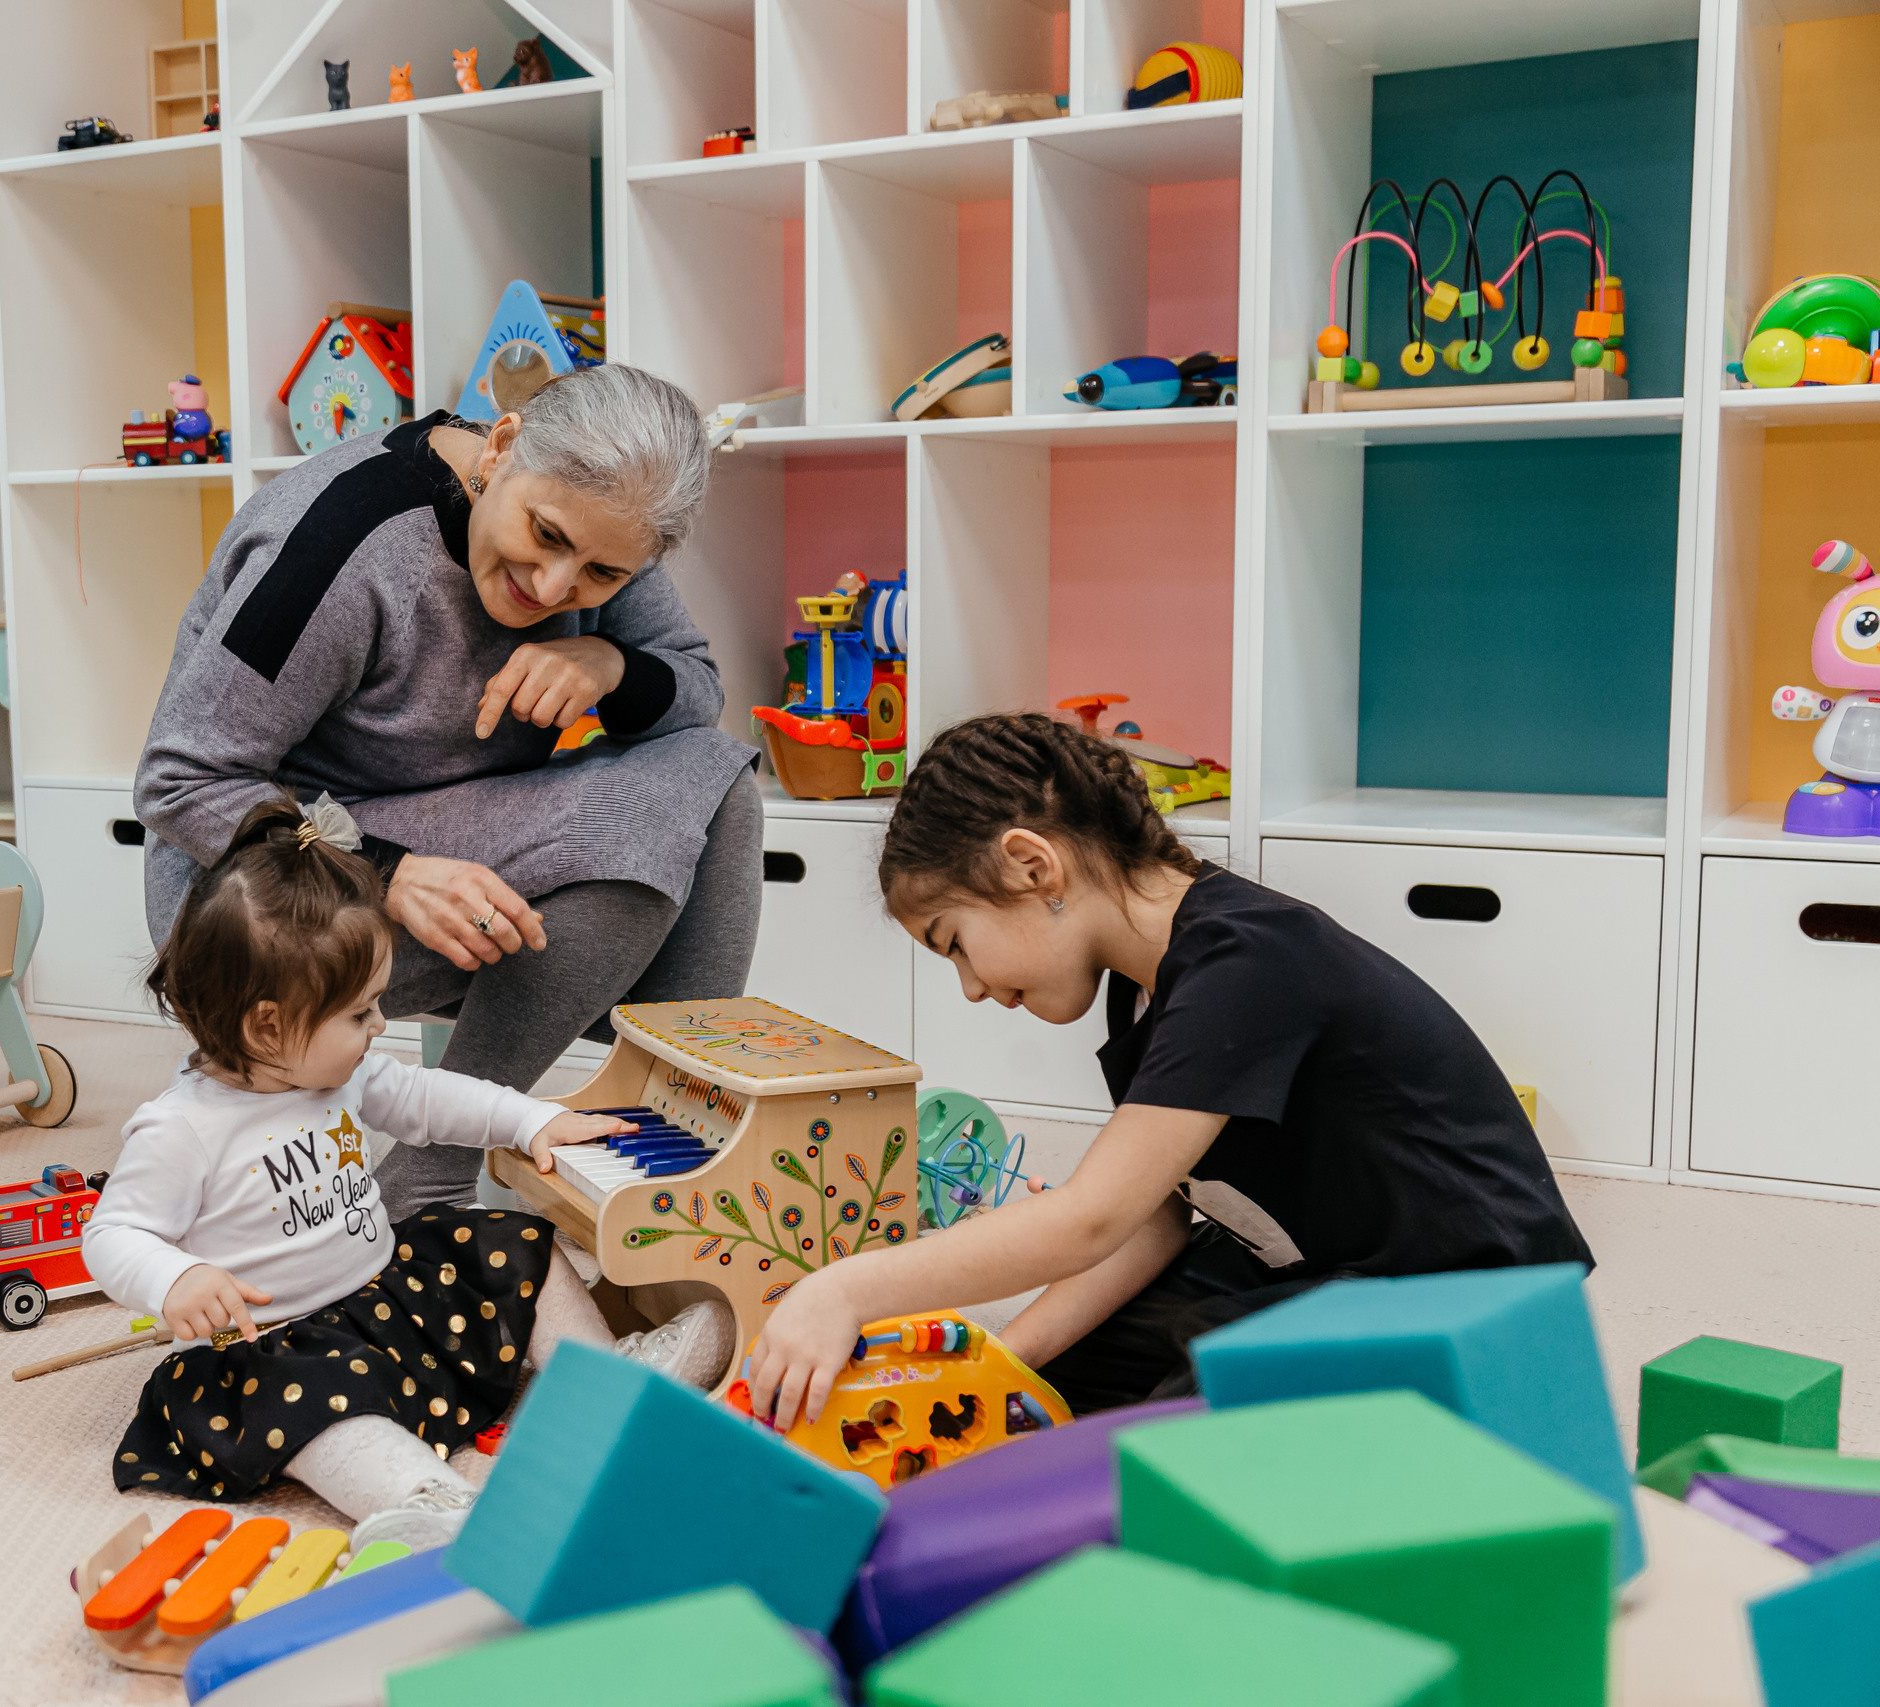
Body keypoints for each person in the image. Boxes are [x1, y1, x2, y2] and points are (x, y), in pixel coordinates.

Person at [745, 712, 1596, 1432]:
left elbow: (1090, 1218)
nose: (970, 986)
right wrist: (1004, 1363)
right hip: (1328, 1263)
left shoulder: (1248, 960)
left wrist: (843, 1288)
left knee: (1178, 1434)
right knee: (1058, 1377)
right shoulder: (1145, 985)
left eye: (956, 942)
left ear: (1032, 865)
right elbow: (1155, 1216)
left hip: (1470, 1296)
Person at [135, 364, 760, 1222]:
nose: (551, 588)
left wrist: (607, 664)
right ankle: (431, 1175)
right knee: (631, 826)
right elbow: (179, 780)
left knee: (718, 780)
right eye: (542, 535)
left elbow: (697, 690)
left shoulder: (607, 523)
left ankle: (668, 1151)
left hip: (452, 843)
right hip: (258, 895)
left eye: (601, 577)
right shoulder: (338, 547)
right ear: (502, 445)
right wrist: (382, 870)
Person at [84, 796, 732, 1551]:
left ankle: (601, 1375)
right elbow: (113, 1231)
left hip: (382, 1296)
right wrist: (174, 1280)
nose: (380, 1027)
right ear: (267, 1024)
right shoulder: (181, 1127)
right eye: (361, 1013)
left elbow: (429, 1100)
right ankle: (425, 1497)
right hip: (278, 1348)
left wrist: (530, 1119)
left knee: (505, 1239)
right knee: (325, 1413)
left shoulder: (336, 1073)